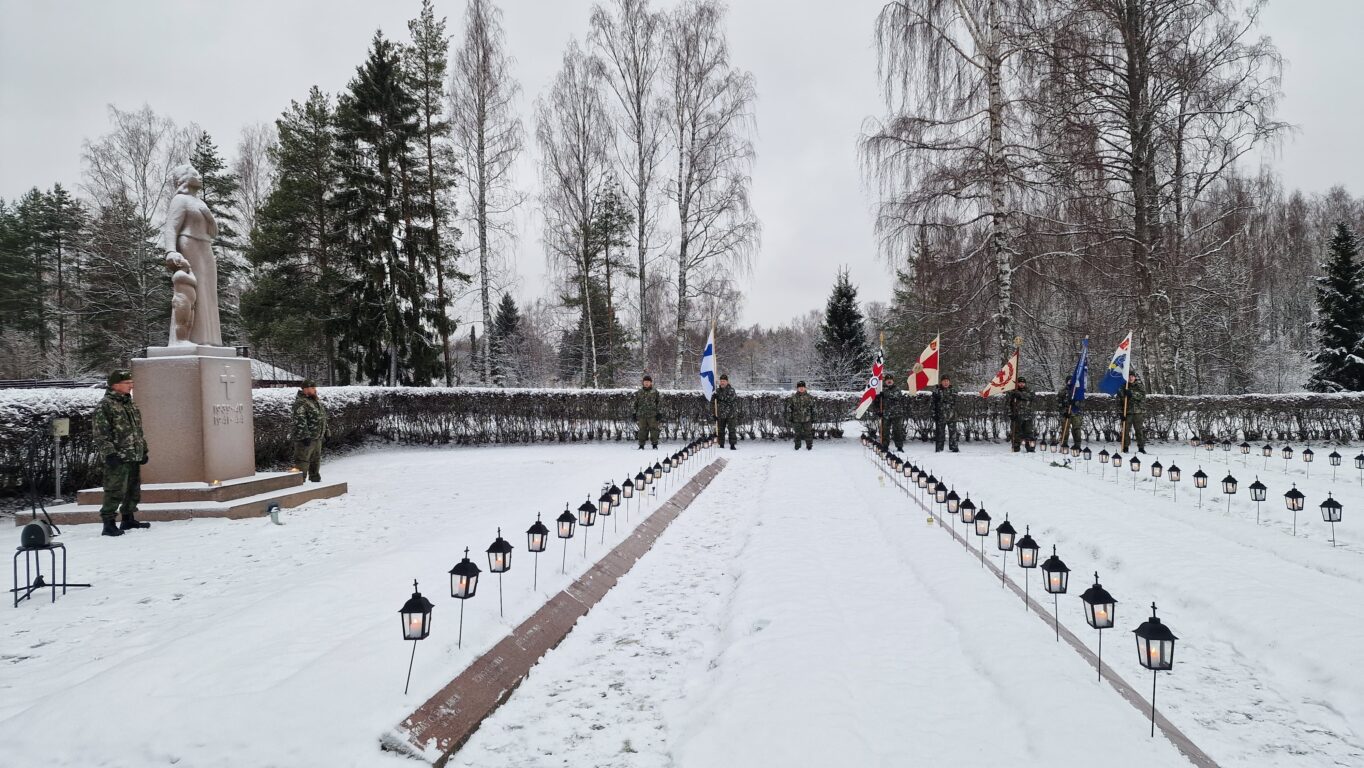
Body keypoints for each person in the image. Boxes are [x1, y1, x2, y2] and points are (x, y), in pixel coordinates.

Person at [92, 369, 150, 537]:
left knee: (133, 488)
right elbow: (101, 433)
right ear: (115, 385)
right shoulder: (106, 405)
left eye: (131, 382)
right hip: (118, 455)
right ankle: (108, 523)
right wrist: (109, 453)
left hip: (133, 454)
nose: (131, 386)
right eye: (127, 383)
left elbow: (137, 430)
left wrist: (143, 450)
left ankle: (128, 518)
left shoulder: (129, 403)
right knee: (115, 489)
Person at [291, 379, 328, 482]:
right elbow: (299, 420)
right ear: (305, 389)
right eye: (312, 388)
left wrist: (326, 432)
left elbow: (322, 417)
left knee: (316, 459)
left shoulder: (315, 401)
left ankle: (315, 479)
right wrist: (305, 435)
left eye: (315, 388)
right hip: (305, 438)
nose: (315, 390)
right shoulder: (301, 402)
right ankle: (298, 481)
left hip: (317, 437)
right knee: (302, 460)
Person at [875, 373, 907, 451]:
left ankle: (899, 446)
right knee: (885, 431)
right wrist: (879, 411)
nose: (889, 381)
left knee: (897, 431)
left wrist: (885, 394)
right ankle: (885, 445)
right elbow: (877, 402)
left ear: (893, 381)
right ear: (885, 381)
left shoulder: (897, 389)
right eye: (887, 380)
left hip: (896, 414)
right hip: (886, 414)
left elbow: (896, 396)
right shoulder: (881, 390)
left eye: (890, 380)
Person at [1118, 370, 1147, 453]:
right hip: (1127, 412)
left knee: (1139, 430)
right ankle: (1125, 447)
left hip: (1138, 412)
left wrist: (1132, 393)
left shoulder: (1139, 386)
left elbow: (1142, 396)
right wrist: (1121, 413)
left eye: (1132, 376)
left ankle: (1141, 448)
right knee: (1125, 430)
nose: (1131, 378)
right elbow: (1120, 401)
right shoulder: (1123, 386)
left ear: (1135, 377)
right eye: (1129, 376)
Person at [1006, 376, 1036, 452]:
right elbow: (1007, 404)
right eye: (1020, 383)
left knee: (1029, 432)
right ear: (1017, 383)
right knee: (1016, 432)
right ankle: (1016, 448)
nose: (1021, 384)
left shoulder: (1029, 391)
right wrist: (1010, 414)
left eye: (1023, 383)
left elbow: (1031, 397)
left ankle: (1030, 448)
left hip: (1027, 415)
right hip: (1017, 416)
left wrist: (1019, 394)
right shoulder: (1012, 392)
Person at [931, 374, 960, 452]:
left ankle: (954, 447)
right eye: (944, 381)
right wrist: (934, 414)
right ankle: (939, 448)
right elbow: (932, 404)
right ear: (941, 382)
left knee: (953, 433)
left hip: (952, 416)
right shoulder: (936, 391)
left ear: (949, 382)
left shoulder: (953, 390)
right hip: (940, 416)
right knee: (940, 433)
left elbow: (956, 402)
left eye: (947, 381)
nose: (946, 383)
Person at [633, 375, 662, 450]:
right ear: (643, 383)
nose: (646, 383)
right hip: (641, 415)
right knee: (642, 430)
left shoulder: (655, 392)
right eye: (645, 382)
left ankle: (654, 444)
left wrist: (659, 413)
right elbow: (635, 403)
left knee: (654, 430)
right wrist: (634, 413)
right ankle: (641, 445)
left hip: (652, 415)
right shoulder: (639, 392)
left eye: (648, 382)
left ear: (651, 383)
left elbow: (659, 403)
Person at [785, 380, 815, 450]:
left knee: (808, 433)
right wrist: (790, 418)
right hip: (796, 419)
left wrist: (814, 418)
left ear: (805, 388)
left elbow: (813, 409)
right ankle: (797, 447)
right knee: (797, 434)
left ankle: (809, 446)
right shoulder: (793, 398)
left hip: (807, 419)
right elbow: (789, 409)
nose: (801, 388)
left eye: (803, 387)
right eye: (800, 387)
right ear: (797, 388)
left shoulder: (810, 397)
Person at [714, 374, 740, 450]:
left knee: (732, 430)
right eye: (721, 381)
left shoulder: (731, 390)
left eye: (724, 381)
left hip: (731, 414)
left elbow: (728, 399)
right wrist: (714, 413)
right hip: (721, 414)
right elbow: (714, 402)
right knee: (720, 430)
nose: (722, 383)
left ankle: (732, 445)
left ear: (727, 382)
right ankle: (721, 444)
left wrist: (718, 397)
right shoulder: (717, 391)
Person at [1056, 375, 1083, 450]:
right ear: (1066, 382)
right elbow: (1058, 403)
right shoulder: (1062, 391)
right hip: (1066, 414)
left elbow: (1082, 403)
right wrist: (1064, 412)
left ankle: (1077, 445)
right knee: (1065, 429)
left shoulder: (1078, 391)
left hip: (1076, 414)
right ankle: (1064, 444)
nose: (1070, 382)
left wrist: (1075, 403)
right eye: (1069, 381)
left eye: (1072, 381)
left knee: (1076, 429)